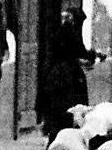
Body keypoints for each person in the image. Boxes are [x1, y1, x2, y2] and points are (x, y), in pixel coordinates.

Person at [37, 7, 99, 135]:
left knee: (56, 107)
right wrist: (92, 55)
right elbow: (78, 52)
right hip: (67, 76)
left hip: (54, 73)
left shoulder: (60, 31)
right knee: (72, 105)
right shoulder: (71, 33)